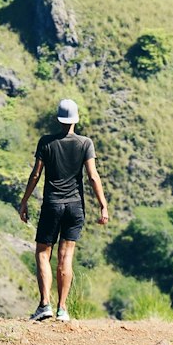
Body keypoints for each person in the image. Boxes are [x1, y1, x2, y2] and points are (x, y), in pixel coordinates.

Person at [18, 97, 108, 322]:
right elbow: (93, 176)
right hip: (75, 206)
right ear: (76, 119)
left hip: (52, 205)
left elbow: (36, 174)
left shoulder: (46, 142)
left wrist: (24, 201)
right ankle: (62, 309)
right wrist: (103, 205)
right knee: (66, 257)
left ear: (58, 119)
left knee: (42, 252)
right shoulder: (85, 143)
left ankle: (44, 305)